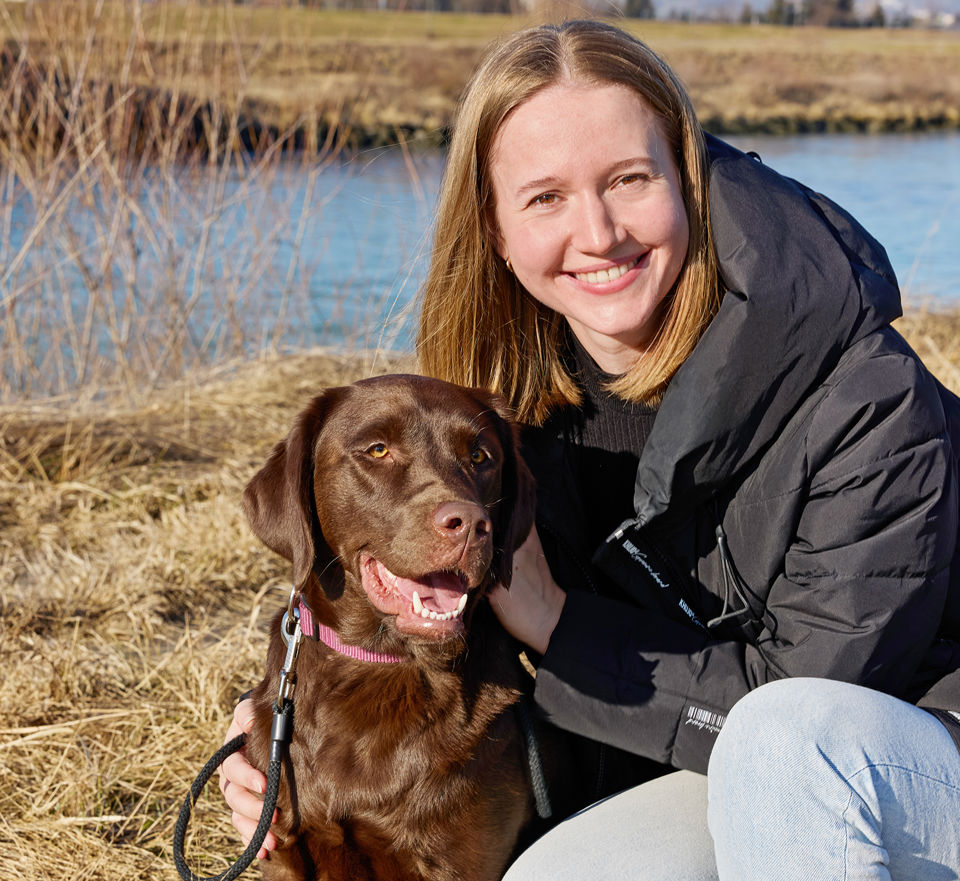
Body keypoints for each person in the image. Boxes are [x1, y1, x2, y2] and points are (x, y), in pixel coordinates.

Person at [219, 19, 960, 879]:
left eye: (630, 179)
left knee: (787, 741)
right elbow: (414, 627)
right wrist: (277, 721)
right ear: (495, 230)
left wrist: (558, 623)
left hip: (909, 743)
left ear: (686, 181)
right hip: (727, 760)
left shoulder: (863, 398)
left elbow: (809, 700)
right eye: (545, 198)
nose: (600, 232)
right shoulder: (498, 430)